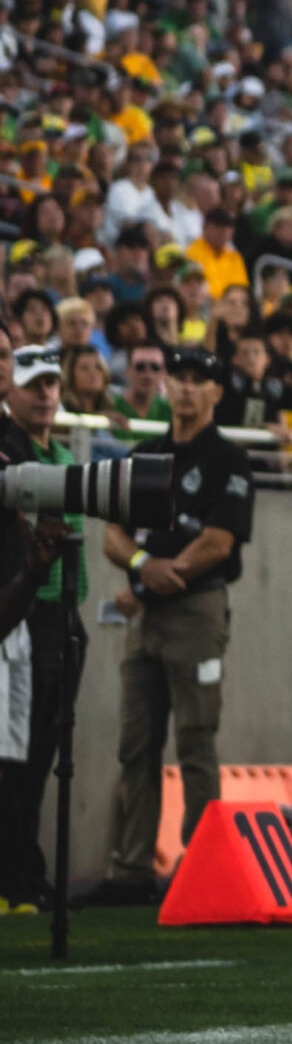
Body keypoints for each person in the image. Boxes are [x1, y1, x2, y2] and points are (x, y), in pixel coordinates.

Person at [88, 348, 254, 904]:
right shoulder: (145, 455)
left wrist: (165, 573)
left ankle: (199, 867)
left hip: (196, 608)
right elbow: (113, 534)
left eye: (196, 381)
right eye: (176, 379)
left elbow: (219, 541)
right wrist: (142, 567)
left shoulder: (228, 459)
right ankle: (132, 870)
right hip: (148, 611)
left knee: (195, 739)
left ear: (215, 393)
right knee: (136, 743)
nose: (183, 389)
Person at [0, 347, 81, 911]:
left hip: (59, 615)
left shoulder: (59, 452)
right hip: (21, 620)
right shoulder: (12, 452)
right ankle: (17, 873)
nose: (45, 394)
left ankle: (25, 871)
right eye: (35, 383)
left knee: (43, 754)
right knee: (16, 760)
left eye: (53, 383)